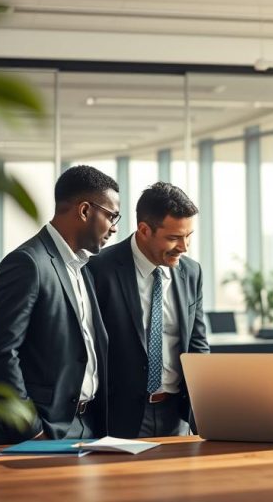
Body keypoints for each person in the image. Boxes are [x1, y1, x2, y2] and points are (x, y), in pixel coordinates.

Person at [0, 165, 119, 444]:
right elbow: (0, 353)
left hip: (88, 425)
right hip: (42, 431)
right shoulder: (27, 263)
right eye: (112, 215)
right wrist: (32, 430)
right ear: (84, 211)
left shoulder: (83, 268)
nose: (114, 227)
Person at [90, 182, 209, 438]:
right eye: (174, 237)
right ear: (144, 230)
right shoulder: (99, 269)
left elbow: (198, 344)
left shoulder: (191, 272)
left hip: (177, 415)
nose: (184, 246)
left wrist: (204, 409)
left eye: (189, 236)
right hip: (119, 416)